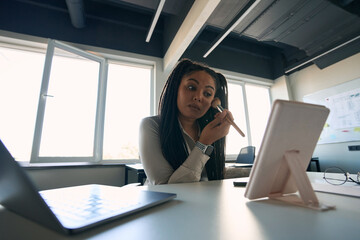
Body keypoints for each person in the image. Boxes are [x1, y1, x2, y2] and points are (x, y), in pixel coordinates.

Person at [139, 59, 250, 185]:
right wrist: (203, 144)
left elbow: (212, 173)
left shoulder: (206, 129)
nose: (198, 97)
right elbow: (165, 188)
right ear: (176, 89)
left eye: (207, 94)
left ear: (213, 102)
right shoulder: (151, 126)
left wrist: (253, 171)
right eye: (191, 87)